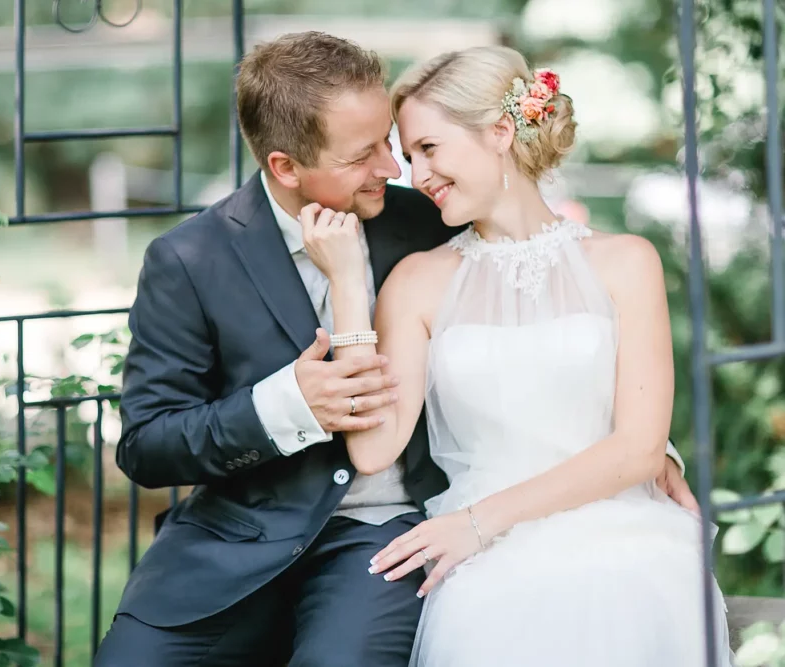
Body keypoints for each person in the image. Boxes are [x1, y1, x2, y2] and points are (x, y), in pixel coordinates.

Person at [92, 32, 696, 667]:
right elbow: (147, 442)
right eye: (371, 153)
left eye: (401, 145)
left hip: (389, 534)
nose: (397, 169)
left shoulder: (428, 216)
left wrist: (644, 452)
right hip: (242, 536)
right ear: (287, 167)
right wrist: (288, 403)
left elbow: (555, 339)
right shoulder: (191, 258)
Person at [302, 45, 733, 666]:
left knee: (626, 596)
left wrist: (480, 522)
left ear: (501, 132)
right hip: (483, 557)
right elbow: (372, 451)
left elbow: (639, 448)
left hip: (620, 532)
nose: (415, 175)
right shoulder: (417, 281)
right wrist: (347, 283)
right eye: (411, 155)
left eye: (429, 148)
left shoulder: (626, 261)